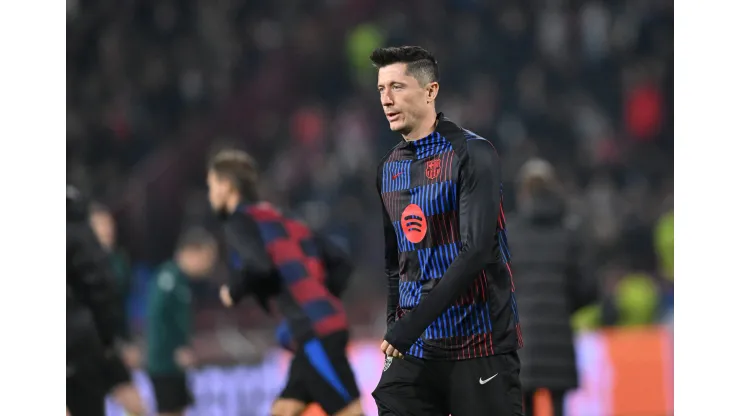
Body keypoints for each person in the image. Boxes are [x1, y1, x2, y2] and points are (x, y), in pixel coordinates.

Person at [368, 46, 524, 416]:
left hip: (478, 345)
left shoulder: (473, 153)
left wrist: (409, 325)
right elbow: (395, 262)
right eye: (380, 89)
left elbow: (475, 252)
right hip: (416, 351)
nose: (386, 99)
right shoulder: (388, 169)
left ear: (430, 91)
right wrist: (397, 324)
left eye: (397, 87)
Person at [207, 149, 363, 416]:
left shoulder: (238, 222)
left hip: (315, 333)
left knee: (349, 412)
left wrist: (233, 292)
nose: (210, 194)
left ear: (226, 187)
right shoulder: (281, 217)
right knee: (283, 410)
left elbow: (260, 267)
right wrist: (320, 296)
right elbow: (341, 262)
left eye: (211, 186)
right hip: (318, 328)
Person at [505, 159, 596, 416]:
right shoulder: (569, 232)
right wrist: (563, 308)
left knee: (526, 404)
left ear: (523, 192)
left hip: (523, 339)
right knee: (559, 407)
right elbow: (588, 288)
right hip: (559, 338)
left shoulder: (510, 233)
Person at [66, 185, 145, 416]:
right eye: (100, 225)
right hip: (85, 341)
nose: (108, 230)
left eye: (110, 224)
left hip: (100, 342)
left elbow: (116, 305)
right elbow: (100, 297)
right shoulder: (81, 253)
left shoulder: (118, 261)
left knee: (136, 406)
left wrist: (122, 340)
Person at [146, 226, 218, 416]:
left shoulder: (182, 280)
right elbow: (158, 318)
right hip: (164, 364)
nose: (209, 264)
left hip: (175, 364)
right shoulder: (168, 278)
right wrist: (175, 350)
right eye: (206, 257)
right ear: (192, 252)